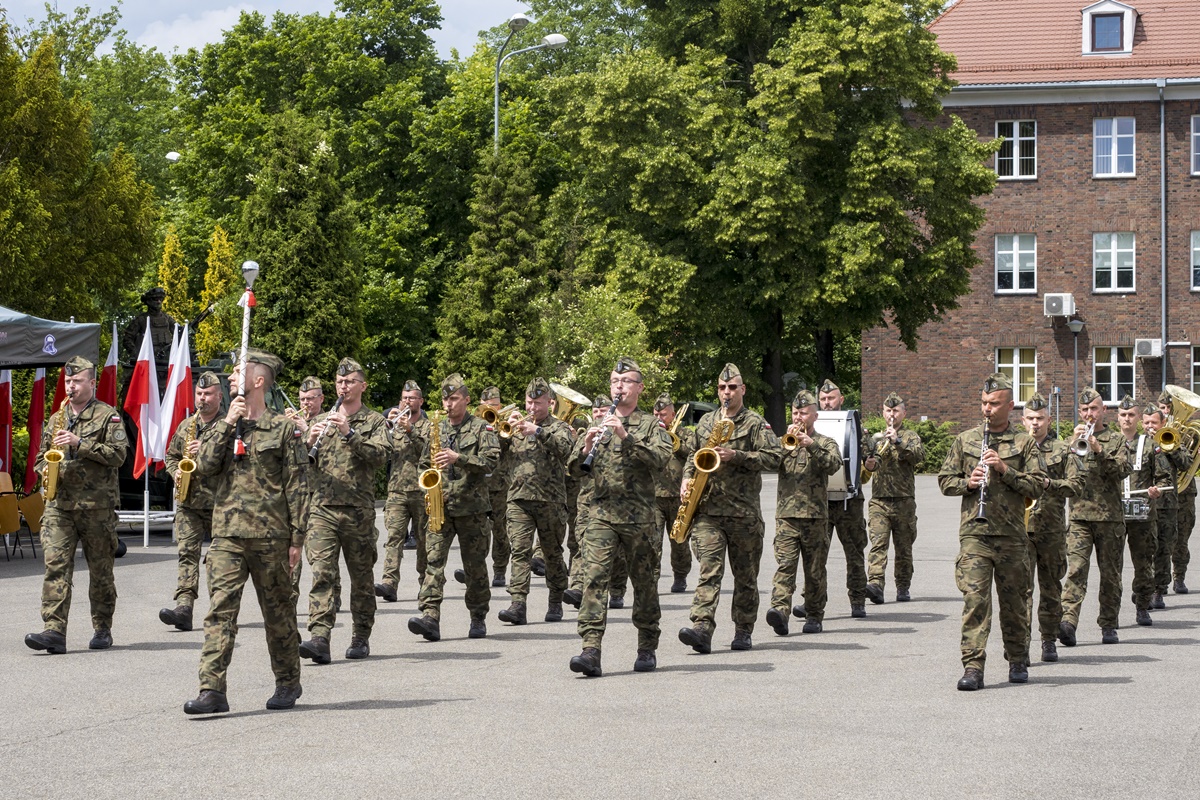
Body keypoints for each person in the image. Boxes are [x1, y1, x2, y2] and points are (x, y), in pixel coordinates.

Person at [184, 349, 307, 714]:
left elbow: (297, 486)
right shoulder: (223, 424)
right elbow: (204, 466)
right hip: (227, 536)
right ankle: (212, 690)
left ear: (258, 380)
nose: (233, 375)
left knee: (278, 614)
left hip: (271, 536)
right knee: (219, 613)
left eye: (241, 370)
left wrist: (297, 539)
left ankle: (287, 681)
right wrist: (225, 424)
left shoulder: (283, 429)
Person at [938, 373, 1044, 691]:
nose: (987, 409)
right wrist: (967, 483)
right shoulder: (966, 440)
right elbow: (945, 480)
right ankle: (973, 667)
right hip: (975, 532)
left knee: (1015, 601)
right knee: (975, 601)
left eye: (994, 404)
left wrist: (1004, 469)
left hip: (1011, 534)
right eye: (984, 403)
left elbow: (1038, 484)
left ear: (1010, 405)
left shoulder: (1024, 442)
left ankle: (1017, 659)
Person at [568, 357, 672, 676]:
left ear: (639, 388)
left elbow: (661, 460)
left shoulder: (650, 425)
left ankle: (646, 646)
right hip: (601, 514)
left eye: (626, 381)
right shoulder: (599, 424)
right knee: (594, 578)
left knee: (643, 583)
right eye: (615, 380)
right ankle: (590, 649)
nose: (619, 386)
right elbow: (574, 471)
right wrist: (585, 449)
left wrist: (627, 437)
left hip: (639, 518)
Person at [24, 355, 128, 655]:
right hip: (59, 505)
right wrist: (45, 469)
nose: (71, 386)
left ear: (92, 383)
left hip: (97, 506)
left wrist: (79, 443)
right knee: (56, 567)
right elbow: (41, 457)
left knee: (100, 570)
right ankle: (54, 630)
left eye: (77, 381)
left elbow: (119, 455)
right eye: (68, 381)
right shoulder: (56, 417)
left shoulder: (108, 416)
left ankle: (102, 626)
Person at [678, 363, 781, 653]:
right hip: (708, 511)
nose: (727, 392)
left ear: (742, 390)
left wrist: (737, 455)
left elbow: (774, 458)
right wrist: (687, 478)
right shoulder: (707, 421)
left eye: (732, 387)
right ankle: (702, 627)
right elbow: (693, 456)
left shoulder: (755, 423)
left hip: (743, 514)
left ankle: (743, 629)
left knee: (745, 577)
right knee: (709, 571)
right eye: (722, 387)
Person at [299, 358, 390, 663]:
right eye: (339, 382)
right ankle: (319, 638)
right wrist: (307, 443)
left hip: (358, 511)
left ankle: (361, 635)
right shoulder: (320, 421)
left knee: (361, 578)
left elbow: (380, 458)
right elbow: (302, 469)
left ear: (362, 386)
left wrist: (350, 433)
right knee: (322, 573)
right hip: (322, 508)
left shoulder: (374, 421)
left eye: (350, 381)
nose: (344, 386)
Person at [407, 374, 500, 641]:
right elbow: (424, 465)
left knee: (475, 567)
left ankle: (478, 616)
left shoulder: (483, 428)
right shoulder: (438, 429)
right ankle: (430, 617)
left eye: (454, 398)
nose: (448, 404)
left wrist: (459, 458)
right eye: (445, 399)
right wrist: (428, 486)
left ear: (467, 400)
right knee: (432, 564)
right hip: (441, 509)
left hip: (473, 510)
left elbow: (491, 463)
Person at [1059, 387, 1131, 646]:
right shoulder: (1072, 439)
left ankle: (1109, 623)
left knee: (1110, 574)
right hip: (1079, 517)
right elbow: (1057, 470)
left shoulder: (1117, 440)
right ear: (1080, 412)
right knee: (1076, 571)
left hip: (1109, 518)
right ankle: (1068, 622)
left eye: (1094, 409)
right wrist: (1069, 447)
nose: (1090, 414)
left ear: (1104, 411)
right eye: (1085, 410)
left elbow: (1122, 470)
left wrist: (1099, 450)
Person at [498, 378, 574, 625]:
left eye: (538, 403)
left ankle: (555, 600)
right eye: (529, 402)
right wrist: (503, 433)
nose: (532, 408)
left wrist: (538, 431)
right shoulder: (516, 427)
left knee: (552, 553)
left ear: (550, 403)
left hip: (550, 500)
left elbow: (565, 449)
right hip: (518, 498)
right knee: (519, 552)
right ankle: (517, 604)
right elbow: (495, 455)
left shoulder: (559, 427)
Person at [767, 390, 841, 636]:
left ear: (814, 416)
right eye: (796, 413)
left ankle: (814, 614)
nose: (799, 417)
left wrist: (812, 446)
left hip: (815, 516)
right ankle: (780, 611)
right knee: (785, 566)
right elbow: (767, 463)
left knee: (814, 570)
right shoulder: (783, 441)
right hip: (787, 516)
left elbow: (833, 465)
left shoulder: (826, 442)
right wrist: (786, 443)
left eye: (804, 413)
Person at [159, 371, 224, 632]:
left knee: (219, 560)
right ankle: (184, 608)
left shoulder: (229, 426)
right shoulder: (187, 426)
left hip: (221, 503)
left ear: (220, 396)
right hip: (188, 502)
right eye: (199, 393)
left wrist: (206, 451)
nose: (203, 399)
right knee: (187, 554)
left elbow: (238, 461)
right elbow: (171, 455)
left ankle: (221, 608)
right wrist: (174, 469)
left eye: (208, 394)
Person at [1021, 392, 1076, 662]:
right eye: (1030, 418)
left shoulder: (1063, 449)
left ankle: (1048, 640)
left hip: (1052, 530)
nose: (1035, 423)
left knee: (1052, 588)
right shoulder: (1015, 448)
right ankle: (1022, 646)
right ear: (1022, 420)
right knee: (1022, 590)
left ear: (1049, 420)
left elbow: (1077, 485)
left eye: (1040, 418)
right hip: (1020, 530)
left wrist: (1049, 485)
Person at [815, 379, 869, 618]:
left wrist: (868, 466)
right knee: (815, 556)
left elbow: (864, 469)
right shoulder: (810, 427)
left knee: (855, 553)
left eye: (831, 398)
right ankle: (812, 603)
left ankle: (858, 600)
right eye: (823, 399)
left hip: (850, 501)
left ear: (841, 400)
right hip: (821, 501)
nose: (827, 403)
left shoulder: (855, 427)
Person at [863, 393, 924, 603]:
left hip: (904, 500)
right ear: (883, 412)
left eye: (896, 411)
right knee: (878, 544)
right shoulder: (876, 438)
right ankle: (876, 585)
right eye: (888, 411)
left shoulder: (910, 436)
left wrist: (897, 441)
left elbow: (918, 457)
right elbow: (871, 463)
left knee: (904, 547)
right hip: (880, 500)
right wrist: (869, 464)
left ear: (903, 414)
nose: (892, 414)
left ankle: (903, 586)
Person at [376, 380, 429, 602]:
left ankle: (426, 584)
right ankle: (389, 583)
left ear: (421, 401)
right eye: (404, 398)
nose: (408, 401)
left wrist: (411, 431)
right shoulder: (393, 424)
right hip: (396, 491)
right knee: (394, 538)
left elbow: (428, 451)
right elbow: (380, 453)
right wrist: (385, 428)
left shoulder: (428, 426)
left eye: (412, 398)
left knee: (425, 541)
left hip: (421, 491)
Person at [1115, 396, 1165, 627]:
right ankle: (1110, 612)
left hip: (1142, 513)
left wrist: (1157, 490)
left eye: (1131, 415)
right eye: (1123, 415)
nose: (1127, 418)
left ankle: (1143, 606)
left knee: (1144, 562)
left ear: (1138, 418)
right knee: (1112, 566)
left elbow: (1164, 477)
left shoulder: (1150, 445)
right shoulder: (1108, 443)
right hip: (1113, 514)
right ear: (1117, 417)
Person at [563, 397, 608, 610]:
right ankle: (578, 586)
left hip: (614, 503)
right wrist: (586, 446)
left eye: (604, 410)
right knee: (581, 542)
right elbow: (573, 469)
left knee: (614, 553)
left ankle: (616, 589)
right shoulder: (587, 433)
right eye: (596, 410)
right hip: (587, 500)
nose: (599, 414)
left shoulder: (622, 432)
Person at [1143, 407, 1188, 606]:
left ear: (1162, 423)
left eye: (1154, 422)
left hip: (1167, 504)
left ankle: (1159, 590)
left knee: (1163, 549)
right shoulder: (1138, 443)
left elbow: (1186, 463)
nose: (1150, 426)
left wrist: (1172, 446)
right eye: (1146, 423)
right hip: (1144, 504)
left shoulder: (1172, 438)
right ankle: (1144, 588)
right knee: (1144, 550)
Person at [652, 393, 694, 593]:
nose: (660, 417)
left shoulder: (686, 434)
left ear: (673, 414)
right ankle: (651, 579)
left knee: (679, 540)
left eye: (664, 414)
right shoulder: (651, 432)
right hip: (654, 496)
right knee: (652, 541)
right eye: (656, 413)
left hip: (679, 495)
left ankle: (680, 575)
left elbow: (694, 454)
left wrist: (676, 443)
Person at [1160, 389, 1198, 595]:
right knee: (1162, 538)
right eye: (1164, 409)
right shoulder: (1152, 434)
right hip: (1162, 492)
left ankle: (1179, 577)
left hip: (1184, 492)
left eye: (1169, 409)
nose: (1167, 414)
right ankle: (1161, 581)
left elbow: (1189, 464)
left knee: (1181, 538)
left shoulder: (1186, 434)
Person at [479, 387, 512, 587]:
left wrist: (500, 427)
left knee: (500, 529)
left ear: (499, 406)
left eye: (494, 405)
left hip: (500, 485)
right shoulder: (476, 425)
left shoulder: (505, 426)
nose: (491, 409)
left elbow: (508, 447)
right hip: (480, 485)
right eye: (487, 406)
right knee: (479, 530)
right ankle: (476, 568)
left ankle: (499, 570)